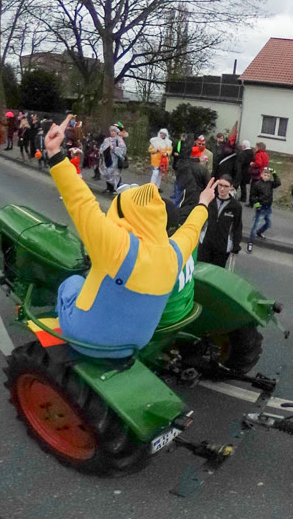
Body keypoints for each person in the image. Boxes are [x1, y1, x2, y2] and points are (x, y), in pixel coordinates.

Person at [40, 117, 209, 360]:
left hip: (88, 339)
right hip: (135, 343)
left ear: (123, 212)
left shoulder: (116, 246)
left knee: (72, 282)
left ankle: (63, 327)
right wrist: (203, 204)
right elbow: (191, 230)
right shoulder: (173, 254)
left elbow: (80, 201)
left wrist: (55, 153)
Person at [198, 177, 243, 268]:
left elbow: (237, 227)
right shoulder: (210, 200)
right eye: (220, 185)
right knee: (200, 270)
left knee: (216, 272)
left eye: (226, 186)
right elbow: (200, 220)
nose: (222, 189)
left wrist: (236, 246)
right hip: (206, 244)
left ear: (231, 187)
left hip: (222, 247)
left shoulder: (235, 206)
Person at [246, 165, 279, 253]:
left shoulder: (270, 184)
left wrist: (274, 173)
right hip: (261, 208)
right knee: (255, 226)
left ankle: (259, 232)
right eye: (265, 175)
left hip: (268, 208)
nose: (266, 177)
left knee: (268, 224)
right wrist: (256, 203)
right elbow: (252, 196)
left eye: (268, 175)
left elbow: (278, 183)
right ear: (261, 175)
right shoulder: (257, 184)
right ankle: (250, 243)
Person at [97, 126, 127, 194]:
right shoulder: (106, 140)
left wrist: (114, 149)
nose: (112, 132)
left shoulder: (119, 140)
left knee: (115, 174)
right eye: (111, 131)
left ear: (116, 132)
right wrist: (102, 151)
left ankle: (114, 188)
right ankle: (108, 188)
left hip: (115, 161)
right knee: (107, 173)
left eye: (114, 131)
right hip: (107, 160)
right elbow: (102, 148)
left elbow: (123, 150)